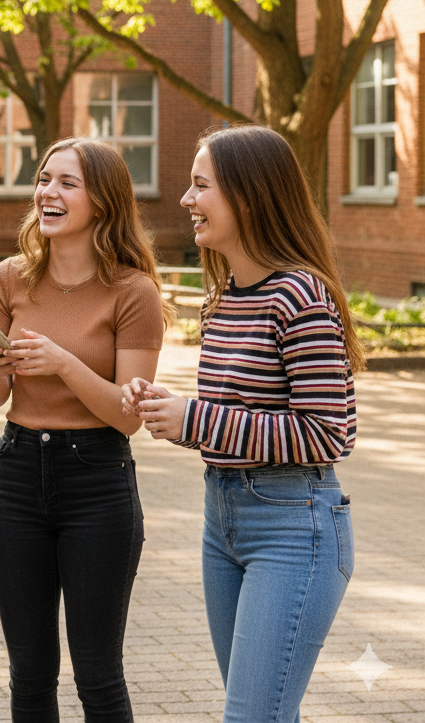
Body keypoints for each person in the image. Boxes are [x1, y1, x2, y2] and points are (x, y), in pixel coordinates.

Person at [123, 125, 361, 723]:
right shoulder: (225, 296)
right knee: (264, 711)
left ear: (248, 197)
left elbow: (329, 431)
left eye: (200, 186)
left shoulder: (299, 295)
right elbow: (241, 416)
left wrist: (197, 417)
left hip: (293, 525)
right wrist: (174, 416)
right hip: (222, 519)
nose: (185, 200)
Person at [0, 137, 172, 722]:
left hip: (96, 481)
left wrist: (63, 362)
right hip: (16, 475)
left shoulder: (133, 291)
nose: (48, 193)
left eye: (67, 183)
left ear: (102, 202)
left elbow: (128, 416)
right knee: (29, 675)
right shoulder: (9, 278)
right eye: (43, 179)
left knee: (97, 676)